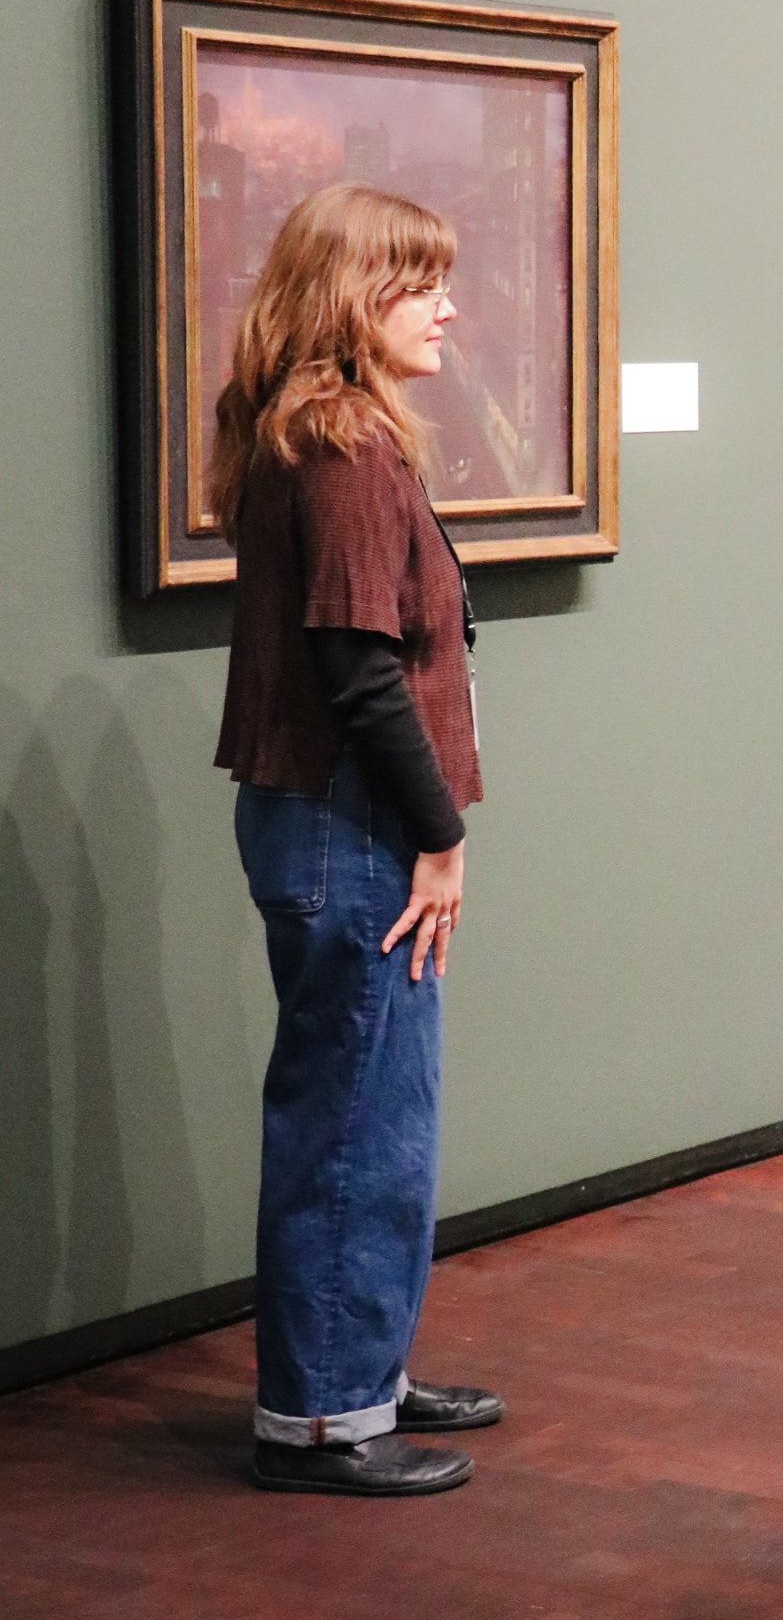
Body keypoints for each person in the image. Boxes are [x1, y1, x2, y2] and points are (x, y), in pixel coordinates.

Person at [212, 182, 501, 1497]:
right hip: (351, 827)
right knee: (352, 1119)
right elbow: (357, 664)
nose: (450, 303)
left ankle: (361, 1367)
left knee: (381, 1107)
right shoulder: (341, 446)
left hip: (334, 820)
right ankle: (325, 1414)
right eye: (422, 280)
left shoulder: (327, 435)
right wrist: (437, 836)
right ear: (355, 294)